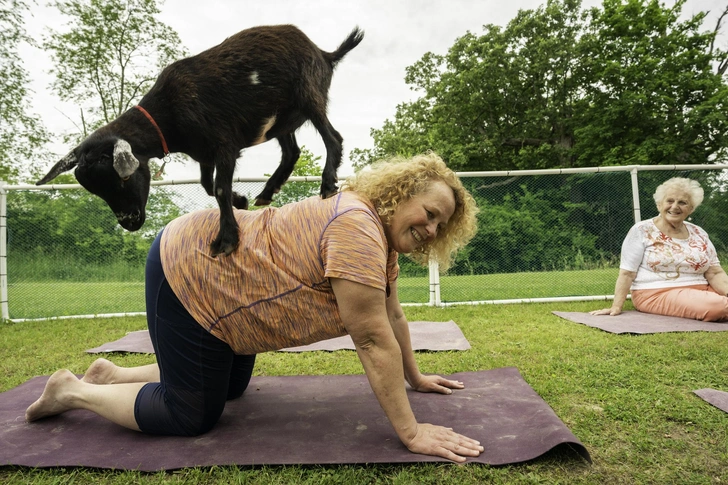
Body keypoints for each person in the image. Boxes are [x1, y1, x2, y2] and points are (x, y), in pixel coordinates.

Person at [25, 152, 483, 462]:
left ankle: (112, 376)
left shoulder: (378, 243)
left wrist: (415, 377)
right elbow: (369, 334)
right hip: (190, 267)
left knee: (229, 387)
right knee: (191, 413)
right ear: (398, 195)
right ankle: (73, 391)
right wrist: (412, 431)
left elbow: (393, 316)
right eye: (429, 211)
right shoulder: (357, 226)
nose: (432, 227)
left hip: (227, 287)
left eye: (441, 224)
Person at [590, 177, 728, 321]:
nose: (675, 207)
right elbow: (627, 273)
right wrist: (616, 306)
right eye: (670, 201)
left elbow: (715, 272)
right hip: (657, 292)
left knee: (719, 303)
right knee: (718, 307)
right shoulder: (642, 230)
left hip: (701, 290)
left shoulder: (699, 232)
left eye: (682, 202)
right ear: (659, 205)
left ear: (691, 208)